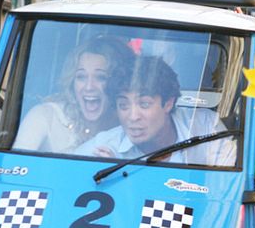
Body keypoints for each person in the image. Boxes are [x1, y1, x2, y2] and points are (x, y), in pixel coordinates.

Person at [76, 56, 235, 166]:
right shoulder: (104, 147)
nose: (133, 117)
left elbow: (225, 190)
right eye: (123, 106)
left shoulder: (206, 128)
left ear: (168, 103)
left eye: (144, 104)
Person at [13, 37, 132, 153]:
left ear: (116, 84)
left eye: (101, 77)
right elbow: (15, 163)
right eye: (81, 77)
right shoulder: (45, 116)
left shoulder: (128, 126)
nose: (89, 87)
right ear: (71, 82)